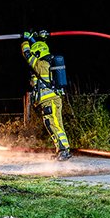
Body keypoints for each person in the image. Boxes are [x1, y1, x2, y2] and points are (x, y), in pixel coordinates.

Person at [20, 30, 72, 161]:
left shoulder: (41, 65)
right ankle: (62, 149)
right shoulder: (46, 63)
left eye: (35, 53)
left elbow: (27, 55)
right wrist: (34, 39)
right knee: (56, 124)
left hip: (50, 101)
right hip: (51, 100)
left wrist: (25, 41)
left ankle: (63, 151)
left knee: (53, 124)